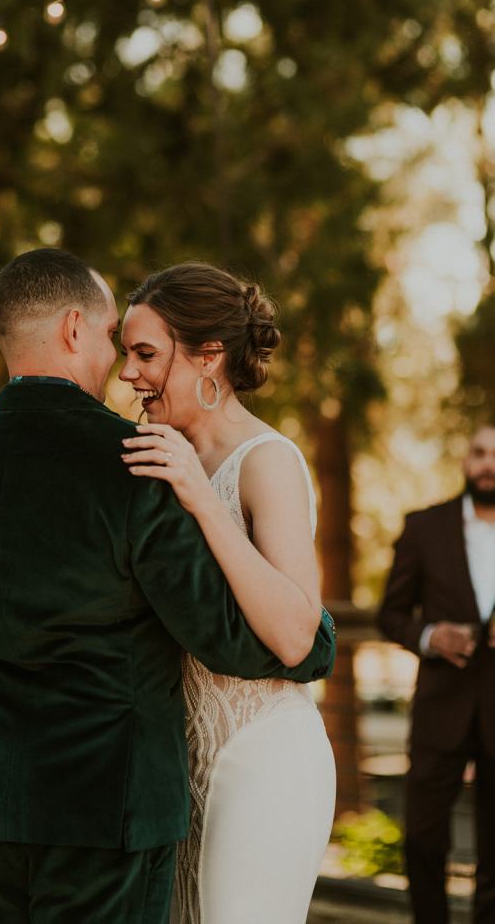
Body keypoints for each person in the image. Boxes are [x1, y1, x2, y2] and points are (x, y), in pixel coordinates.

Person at [0, 248, 335, 924]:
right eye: (112, 340)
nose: (123, 369)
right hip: (110, 802)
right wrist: (317, 643)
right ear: (73, 329)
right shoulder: (132, 463)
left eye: (141, 352)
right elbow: (229, 639)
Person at [118, 262, 336, 924]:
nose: (127, 373)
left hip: (263, 760)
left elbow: (295, 634)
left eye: (145, 354)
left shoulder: (268, 461)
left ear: (208, 355)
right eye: (126, 354)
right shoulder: (156, 458)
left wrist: (202, 498)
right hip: (179, 765)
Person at [378, 423, 495, 924]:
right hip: (439, 707)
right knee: (423, 840)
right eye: (480, 452)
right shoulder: (424, 527)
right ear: (466, 461)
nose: (489, 464)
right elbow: (391, 614)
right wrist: (430, 636)